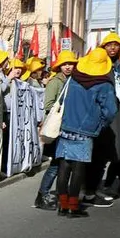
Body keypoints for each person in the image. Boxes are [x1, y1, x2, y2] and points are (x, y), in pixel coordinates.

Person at [55, 48, 118, 217]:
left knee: (64, 165)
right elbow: (111, 111)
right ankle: (74, 207)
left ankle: (62, 205)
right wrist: (100, 124)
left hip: (66, 126)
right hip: (86, 130)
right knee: (78, 167)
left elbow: (61, 100)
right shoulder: (103, 84)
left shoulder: (73, 78)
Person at [34, 51, 79, 210]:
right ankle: (42, 195)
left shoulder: (73, 80)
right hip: (58, 128)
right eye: (65, 64)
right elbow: (48, 105)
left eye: (71, 64)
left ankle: (61, 195)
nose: (68, 67)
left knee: (66, 164)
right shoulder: (55, 82)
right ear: (60, 66)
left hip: (69, 128)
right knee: (56, 164)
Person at [85, 33, 120, 203]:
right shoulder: (98, 67)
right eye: (109, 45)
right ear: (103, 47)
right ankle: (90, 189)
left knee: (118, 150)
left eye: (116, 45)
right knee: (100, 152)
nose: (113, 48)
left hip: (118, 111)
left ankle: (112, 185)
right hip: (103, 113)